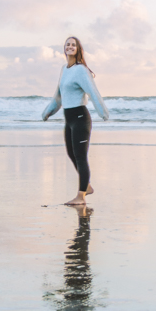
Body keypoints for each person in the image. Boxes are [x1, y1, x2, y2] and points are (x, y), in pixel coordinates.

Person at [42, 36, 109, 205]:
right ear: (64, 48)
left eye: (73, 45)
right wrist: (48, 112)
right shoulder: (64, 69)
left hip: (80, 118)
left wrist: (103, 112)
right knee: (72, 154)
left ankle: (81, 196)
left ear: (78, 49)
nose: (70, 47)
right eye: (67, 44)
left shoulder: (81, 70)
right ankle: (87, 186)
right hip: (69, 118)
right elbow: (58, 96)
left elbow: (93, 92)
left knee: (80, 156)